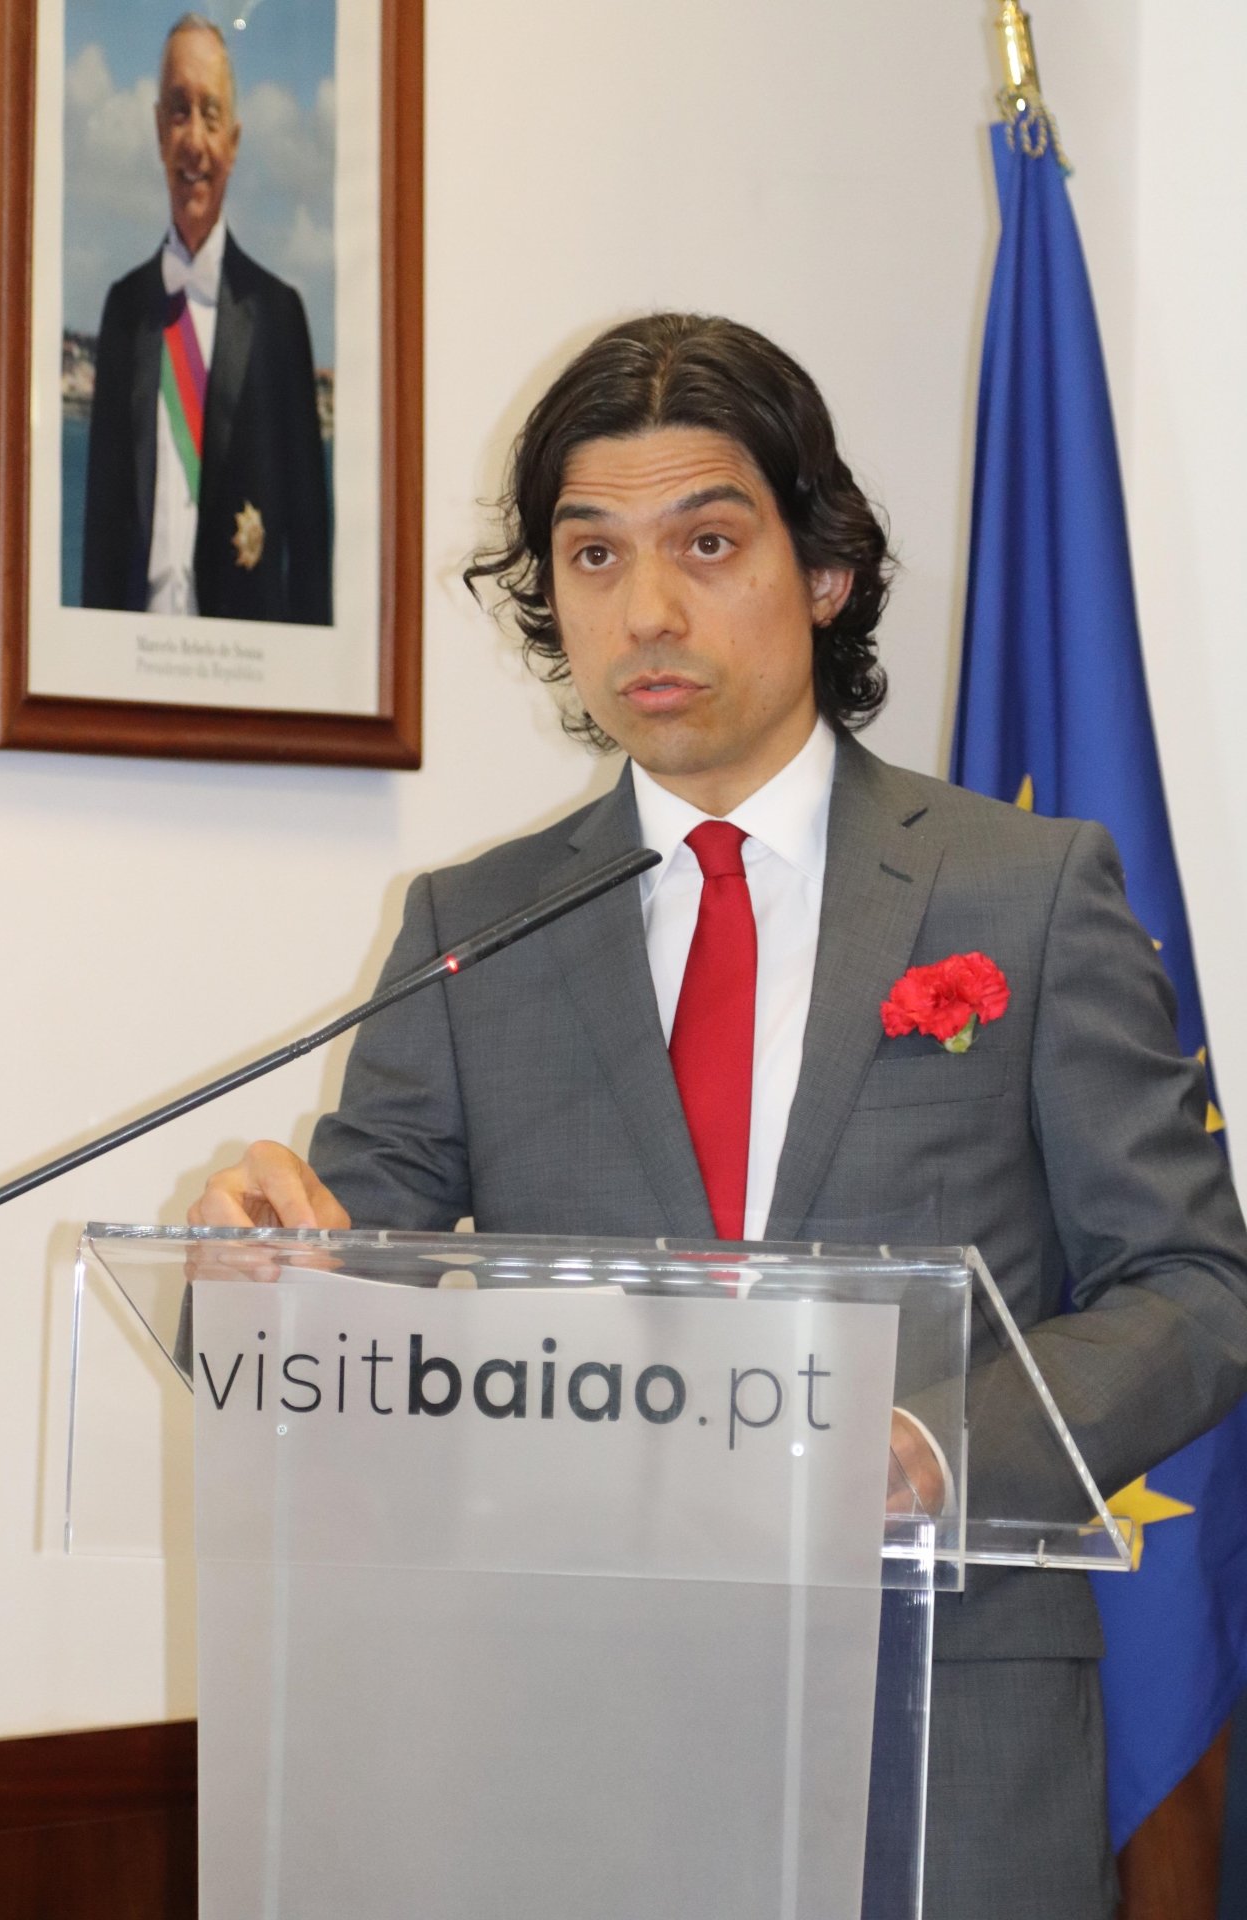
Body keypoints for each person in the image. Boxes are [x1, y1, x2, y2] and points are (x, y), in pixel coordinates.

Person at [188, 312, 1247, 1919]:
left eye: (707, 543)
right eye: (593, 556)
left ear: (822, 570)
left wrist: (937, 1448)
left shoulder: (1022, 893)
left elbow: (1196, 1287)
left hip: (944, 1734)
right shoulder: (474, 929)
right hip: (575, 1748)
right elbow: (347, 1307)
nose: (648, 611)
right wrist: (254, 1274)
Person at [81, 13, 331, 625]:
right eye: (178, 110)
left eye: (211, 114)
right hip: (135, 653)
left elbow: (310, 549)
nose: (194, 138)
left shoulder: (279, 317)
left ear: (235, 142)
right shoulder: (123, 310)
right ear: (158, 132)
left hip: (245, 659)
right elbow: (100, 538)